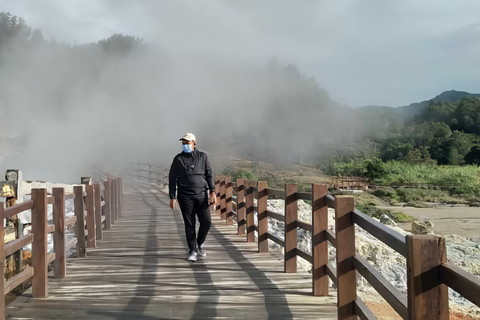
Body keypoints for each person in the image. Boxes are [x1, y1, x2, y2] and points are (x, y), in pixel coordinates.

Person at [169, 133, 216, 262]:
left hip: (201, 194)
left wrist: (213, 191)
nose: (185, 145)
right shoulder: (178, 159)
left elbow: (209, 174)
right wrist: (172, 197)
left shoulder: (203, 157)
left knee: (206, 222)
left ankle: (199, 243)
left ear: (194, 143)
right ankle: (193, 250)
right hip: (185, 196)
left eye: (187, 143)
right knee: (189, 223)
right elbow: (172, 178)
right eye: (183, 143)